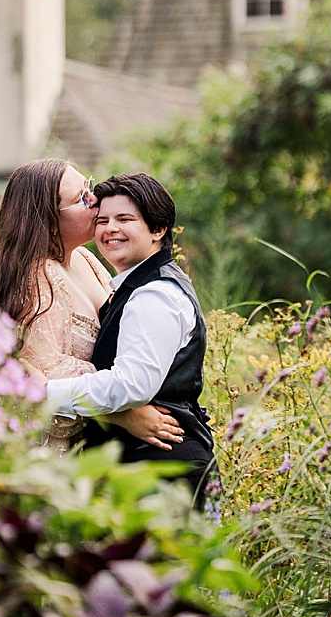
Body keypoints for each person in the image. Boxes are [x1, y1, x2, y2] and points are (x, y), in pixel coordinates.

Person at [0, 158, 186, 459]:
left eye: (89, 186)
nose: (95, 200)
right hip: (45, 450)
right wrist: (123, 413)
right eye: (81, 199)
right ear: (48, 220)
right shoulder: (34, 278)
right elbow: (38, 382)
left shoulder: (87, 261)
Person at [36, 171, 221, 511]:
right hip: (148, 466)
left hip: (165, 471)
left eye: (125, 219)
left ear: (158, 229)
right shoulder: (131, 286)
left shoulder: (154, 295)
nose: (110, 230)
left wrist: (44, 394)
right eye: (103, 220)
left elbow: (131, 386)